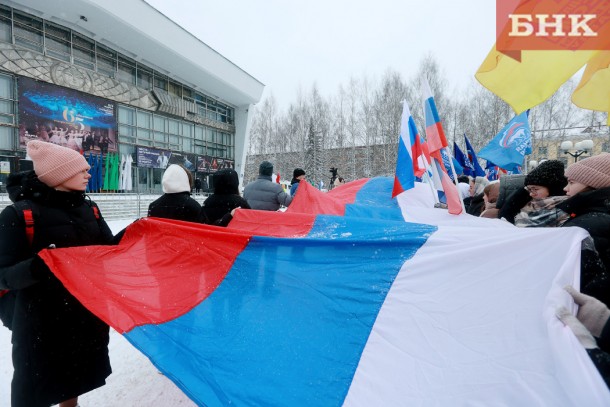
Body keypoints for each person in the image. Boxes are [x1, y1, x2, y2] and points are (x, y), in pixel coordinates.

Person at [0, 140, 115, 407]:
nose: (89, 174)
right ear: (60, 174)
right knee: (34, 386)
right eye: (81, 170)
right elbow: (2, 273)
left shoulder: (89, 209)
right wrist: (38, 266)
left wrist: (136, 234)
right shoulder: (18, 215)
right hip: (39, 321)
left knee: (72, 379)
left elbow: (107, 251)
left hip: (82, 314)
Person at [556, 153, 610, 304]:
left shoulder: (587, 225)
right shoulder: (594, 218)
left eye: (571, 182)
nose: (565, 188)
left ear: (595, 184)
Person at [512, 159, 569, 227]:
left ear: (552, 188)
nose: (531, 194)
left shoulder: (563, 209)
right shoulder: (530, 204)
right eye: (529, 190)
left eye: (535, 189)